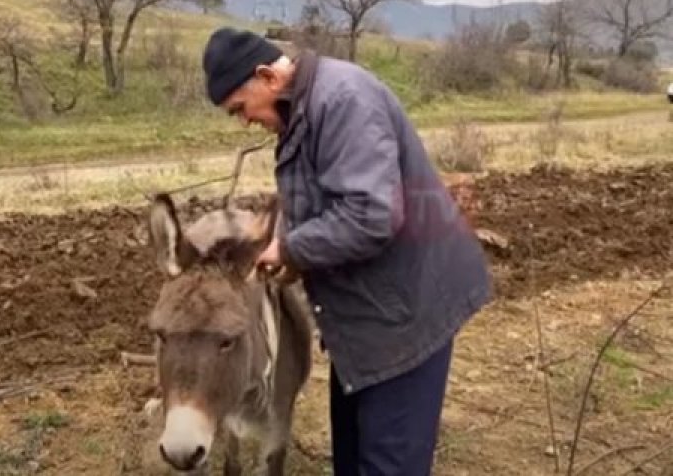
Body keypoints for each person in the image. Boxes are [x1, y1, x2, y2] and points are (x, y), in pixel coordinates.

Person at [201, 27, 492, 476]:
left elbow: (371, 214)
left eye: (240, 108)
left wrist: (293, 247)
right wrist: (292, 257)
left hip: (405, 317)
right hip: (365, 319)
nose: (244, 121)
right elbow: (325, 200)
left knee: (388, 464)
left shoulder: (343, 101)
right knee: (354, 459)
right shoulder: (303, 111)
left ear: (267, 77)